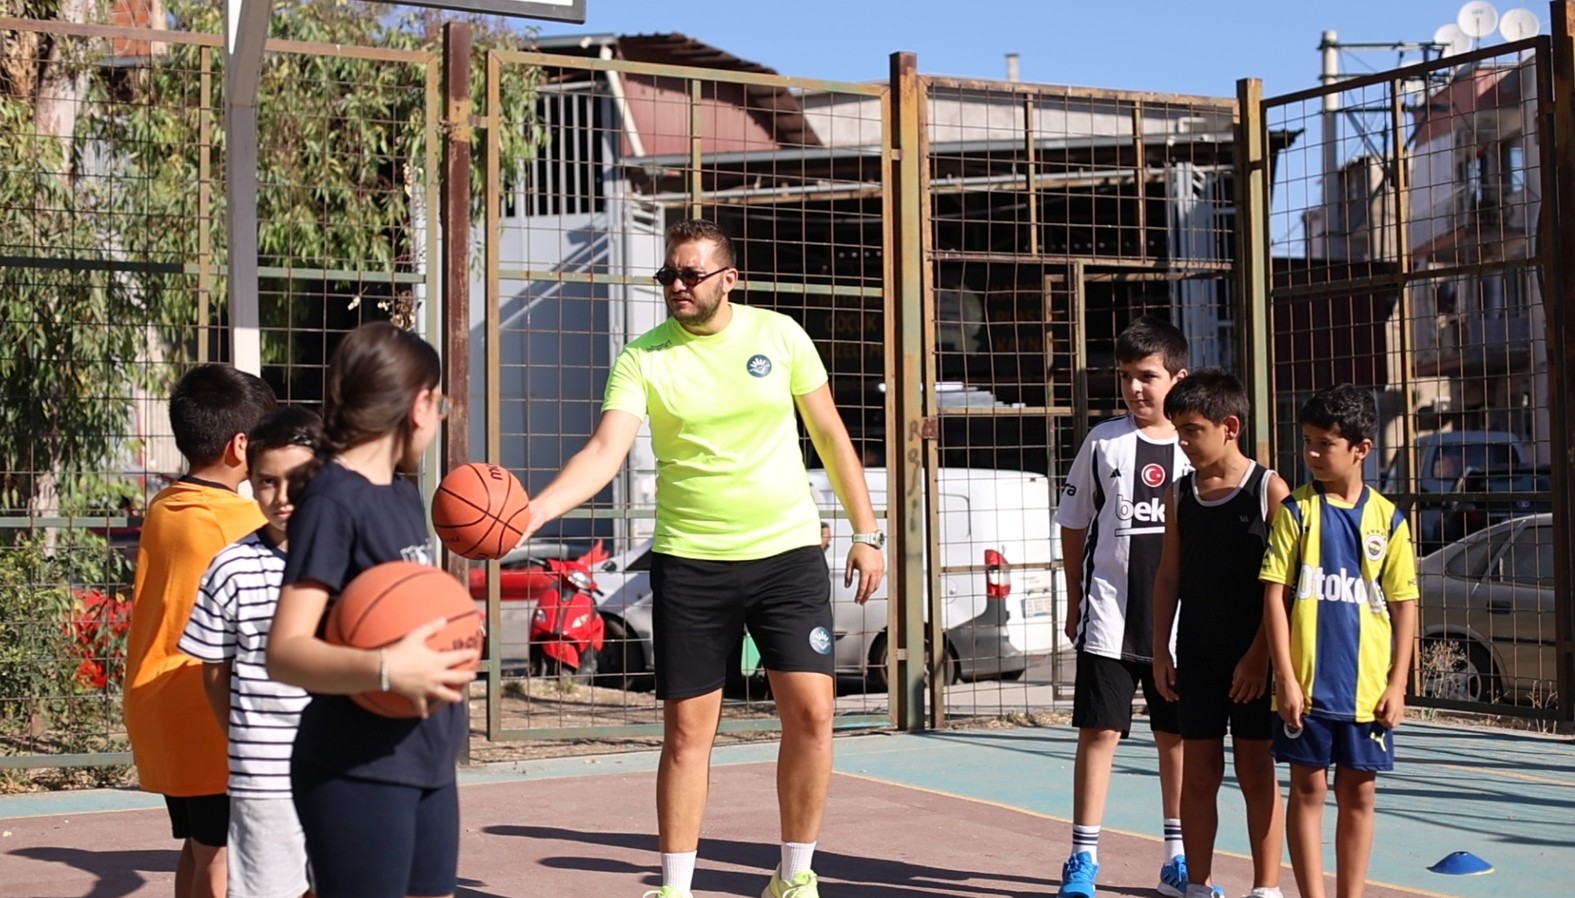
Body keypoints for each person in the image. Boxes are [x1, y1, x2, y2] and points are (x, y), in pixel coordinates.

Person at [518, 219, 885, 898]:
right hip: (691, 562)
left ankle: (795, 873)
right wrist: (538, 510)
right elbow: (604, 452)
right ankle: (675, 888)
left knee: (811, 714)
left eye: (690, 274)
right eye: (667, 275)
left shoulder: (779, 336)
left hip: (787, 553)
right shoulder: (643, 357)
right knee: (688, 734)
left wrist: (867, 532)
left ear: (728, 278)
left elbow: (830, 435)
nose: (676, 286)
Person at [265, 323, 479, 898]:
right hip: (357, 765)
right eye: (442, 407)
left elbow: (406, 609)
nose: (440, 422)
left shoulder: (402, 492)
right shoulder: (332, 500)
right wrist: (387, 669)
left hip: (427, 756)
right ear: (420, 404)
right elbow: (285, 651)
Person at [124, 363, 278, 898]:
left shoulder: (166, 505)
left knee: (198, 847)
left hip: (161, 703)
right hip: (206, 706)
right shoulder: (235, 522)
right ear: (242, 446)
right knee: (224, 857)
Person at [1054, 316, 1194, 898]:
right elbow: (1074, 523)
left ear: (1178, 377)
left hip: (1180, 629)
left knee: (1176, 739)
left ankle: (1178, 856)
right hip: (1108, 616)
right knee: (1099, 733)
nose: (1135, 388)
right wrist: (1073, 599)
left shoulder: (1198, 445)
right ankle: (1082, 860)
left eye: (1147, 376)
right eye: (1126, 377)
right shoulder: (1103, 441)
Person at [1260, 384, 1419, 898]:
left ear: (1361, 448)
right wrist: (1284, 677)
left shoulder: (1389, 521)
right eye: (1306, 441)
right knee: (1308, 790)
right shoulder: (1296, 513)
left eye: (1323, 443)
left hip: (1367, 693)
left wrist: (1398, 686)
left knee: (1361, 795)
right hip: (1306, 688)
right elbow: (1274, 598)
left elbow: (1405, 606)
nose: (1311, 454)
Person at [1151, 370, 1289, 898]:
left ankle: (1266, 887)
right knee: (1200, 771)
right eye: (1178, 431)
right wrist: (1162, 647)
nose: (1183, 443)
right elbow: (1169, 575)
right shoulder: (1181, 494)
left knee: (1257, 770)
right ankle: (1199, 883)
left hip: (1253, 660)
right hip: (1198, 656)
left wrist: (1259, 657)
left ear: (1229, 426)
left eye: (1191, 430)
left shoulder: (1267, 489)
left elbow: (1285, 588)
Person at [179, 407, 323, 898]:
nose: (282, 498)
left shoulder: (357, 562)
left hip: (341, 772)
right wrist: (245, 736)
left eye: (298, 481)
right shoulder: (230, 567)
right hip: (262, 778)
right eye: (266, 482)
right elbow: (213, 671)